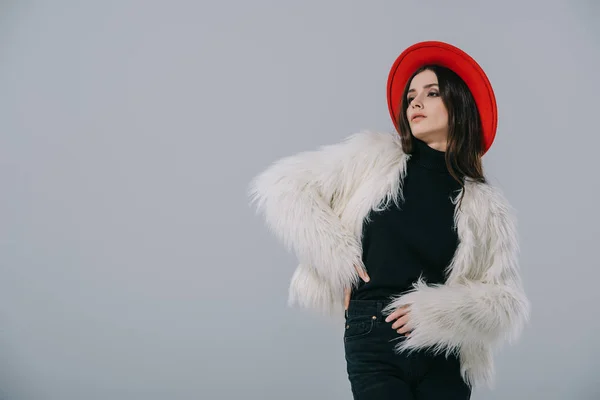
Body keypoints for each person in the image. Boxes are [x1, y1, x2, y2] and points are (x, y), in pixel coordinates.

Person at [248, 41, 530, 399]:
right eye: (411, 95)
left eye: (431, 93)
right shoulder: (372, 159)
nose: (415, 101)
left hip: (446, 350)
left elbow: (505, 300)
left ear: (459, 105)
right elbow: (285, 186)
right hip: (374, 335)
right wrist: (337, 257)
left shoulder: (487, 205)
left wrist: (438, 313)